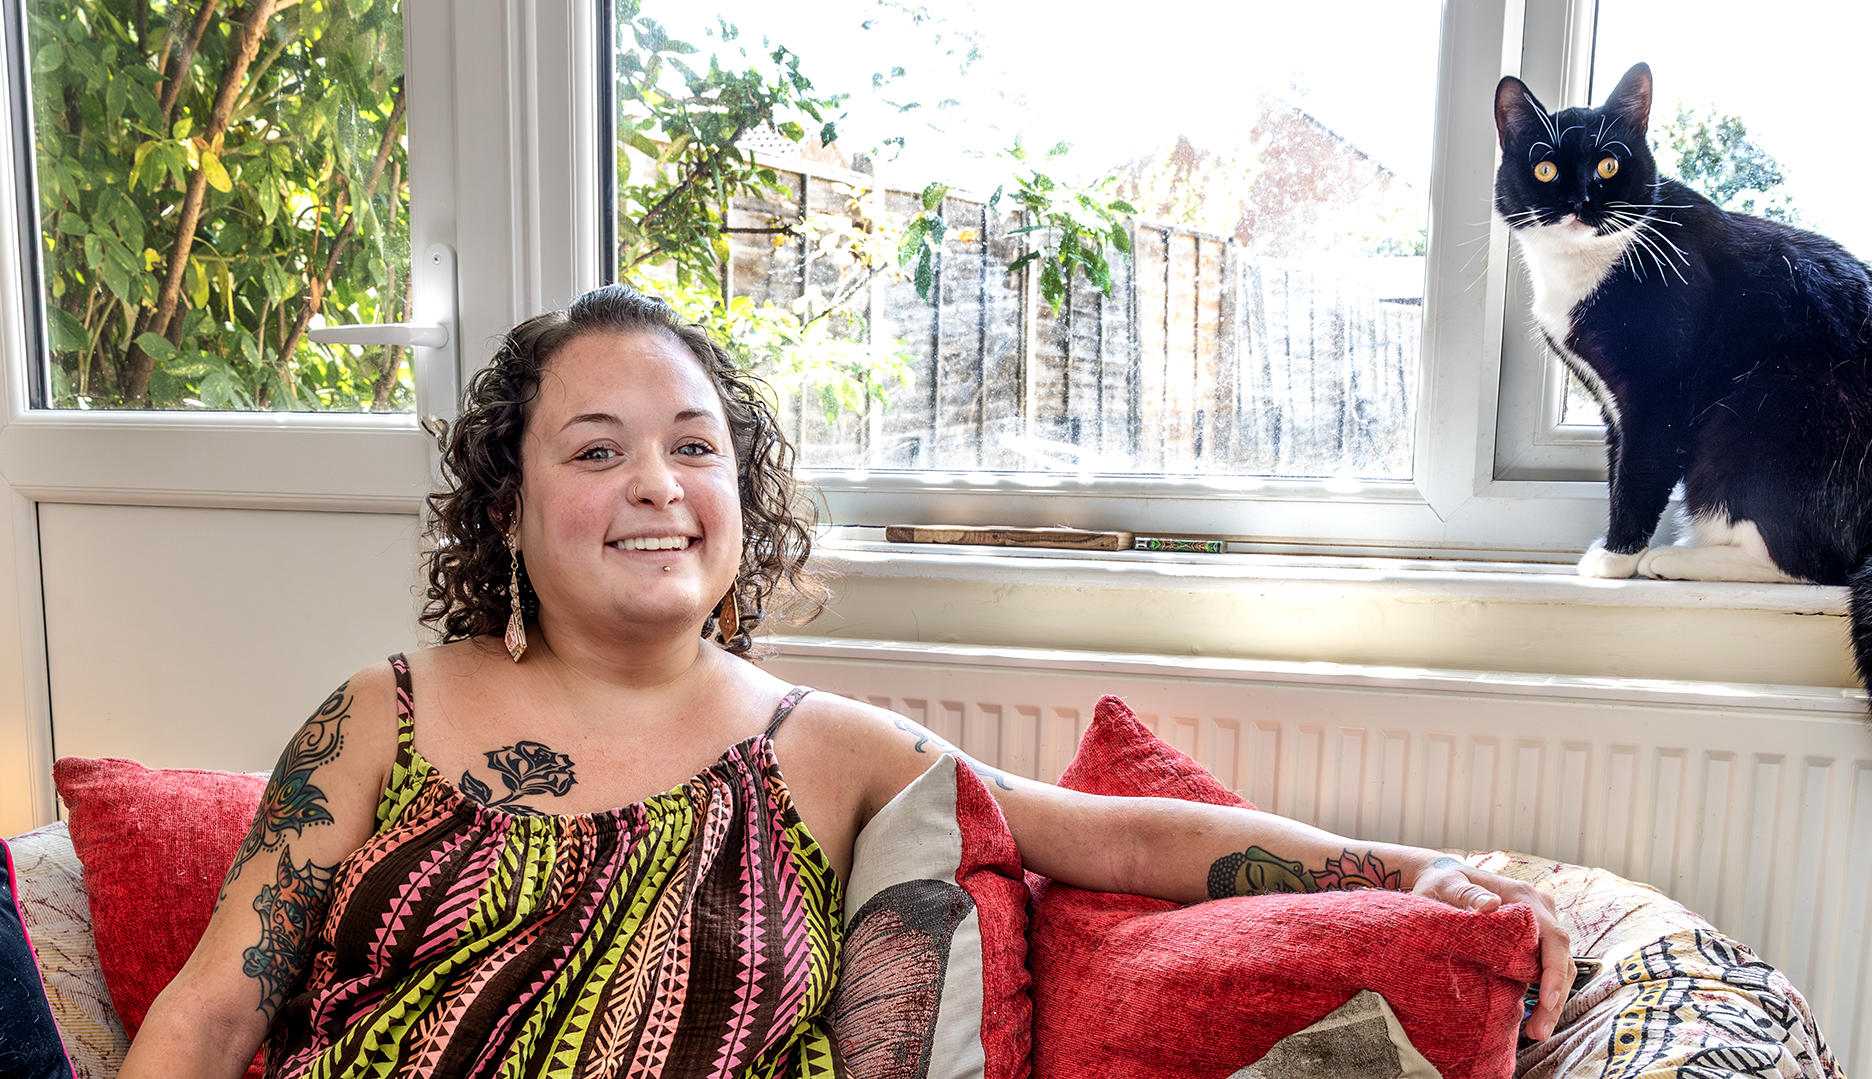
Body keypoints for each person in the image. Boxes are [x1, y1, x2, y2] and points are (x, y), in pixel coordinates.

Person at [118, 285, 1572, 1077]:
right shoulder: (382, 714)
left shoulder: (828, 750)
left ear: (741, 495)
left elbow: (1112, 836)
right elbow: (210, 1016)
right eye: (597, 449)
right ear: (509, 504)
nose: (657, 484)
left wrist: (1410, 871)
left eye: (695, 447)